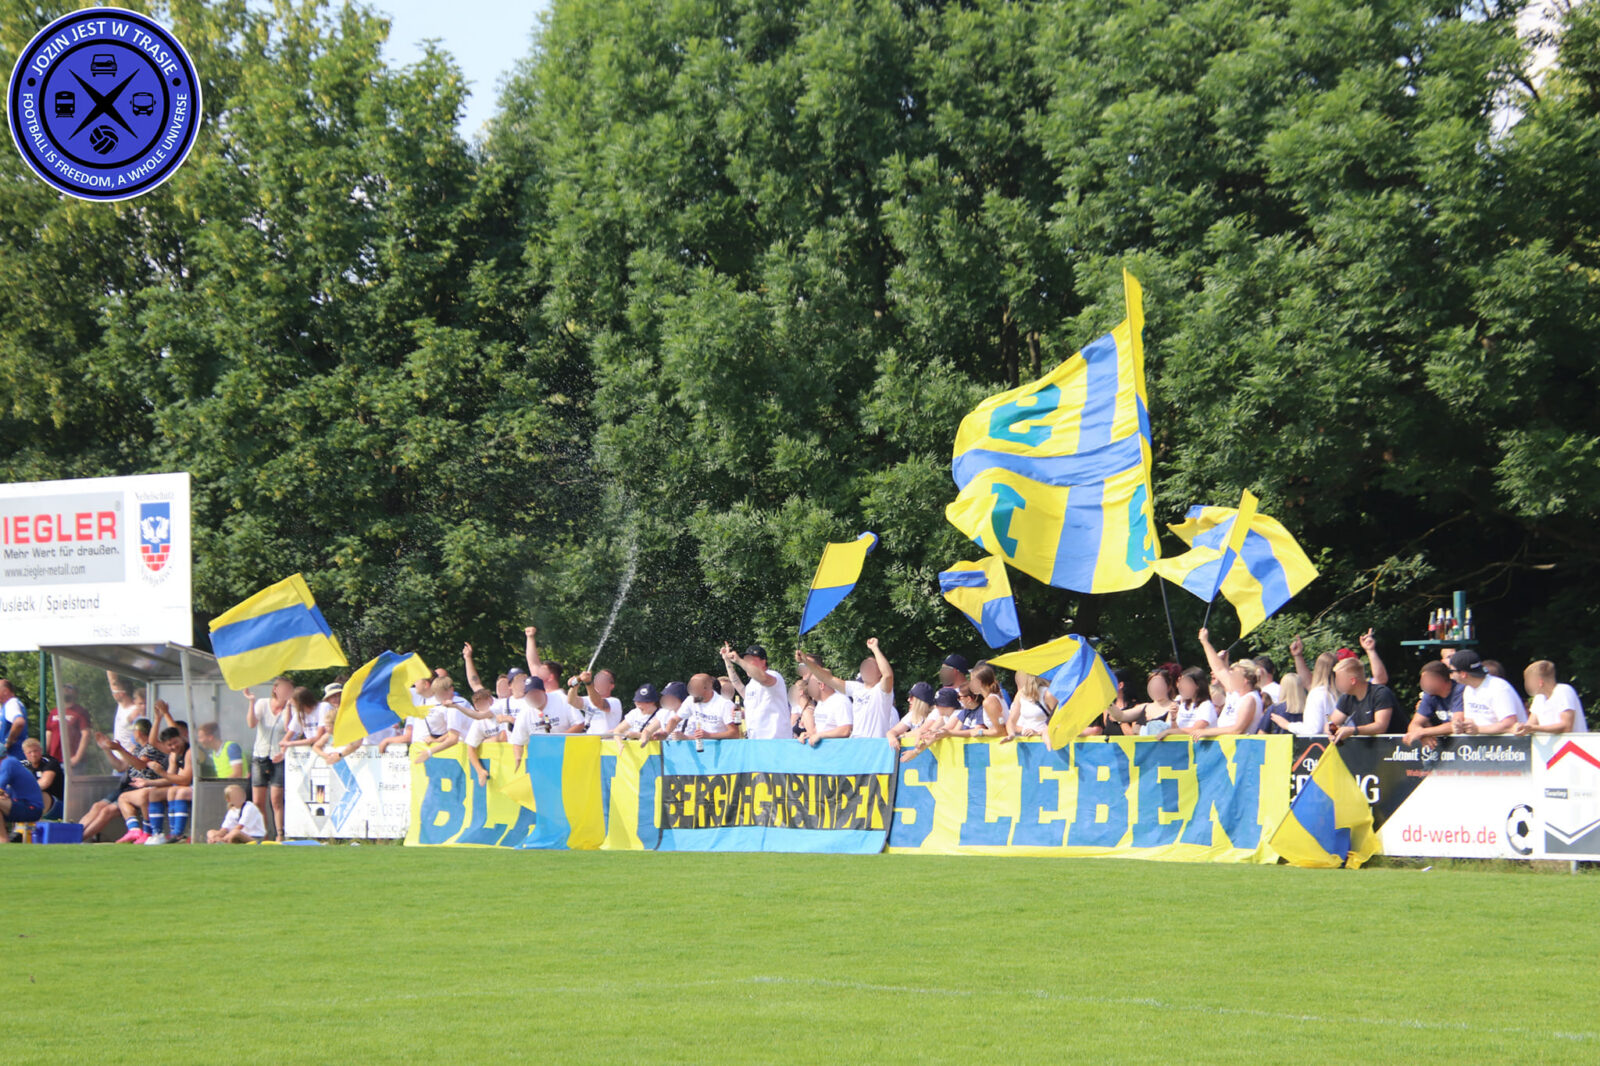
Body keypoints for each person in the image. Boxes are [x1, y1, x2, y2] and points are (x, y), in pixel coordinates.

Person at [795, 638, 898, 739]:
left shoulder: (882, 691)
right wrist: (806, 661)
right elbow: (828, 678)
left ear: (879, 672)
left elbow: (888, 675)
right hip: (855, 745)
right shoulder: (856, 688)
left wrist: (875, 648)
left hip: (873, 746)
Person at [245, 678, 291, 842]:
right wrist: (251, 702)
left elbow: (288, 729)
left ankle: (280, 834)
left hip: (279, 757)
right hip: (260, 755)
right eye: (284, 688)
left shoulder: (290, 707)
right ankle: (262, 835)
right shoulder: (263, 703)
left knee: (276, 799)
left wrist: (289, 707)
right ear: (275, 689)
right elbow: (251, 724)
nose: (287, 692)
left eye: (289, 689)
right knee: (258, 800)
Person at [1195, 628, 1261, 736]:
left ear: (1245, 680)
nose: (1231, 677)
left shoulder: (1250, 699)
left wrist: (1205, 732)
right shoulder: (1235, 692)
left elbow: (1237, 729)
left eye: (1234, 675)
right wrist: (1205, 641)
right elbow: (1219, 669)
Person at [720, 644, 790, 739]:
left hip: (775, 740)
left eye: (750, 660)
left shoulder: (774, 675)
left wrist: (739, 661)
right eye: (745, 660)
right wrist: (726, 660)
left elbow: (764, 678)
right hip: (755, 740)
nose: (746, 664)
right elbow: (737, 684)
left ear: (763, 661)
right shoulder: (751, 684)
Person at [1449, 650, 1523, 736]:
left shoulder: (1498, 688)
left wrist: (1478, 729)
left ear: (1463, 674)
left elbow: (1509, 724)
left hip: (1511, 743)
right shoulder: (1469, 689)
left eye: (1451, 671)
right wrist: (1461, 726)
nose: (1451, 675)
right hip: (1484, 742)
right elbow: (1470, 721)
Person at [1329, 657, 1400, 741]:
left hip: (1397, 746)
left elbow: (1381, 727)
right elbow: (1332, 723)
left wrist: (1353, 731)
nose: (1336, 683)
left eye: (1339, 680)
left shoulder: (1380, 693)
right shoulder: (1347, 697)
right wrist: (1330, 730)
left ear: (1352, 681)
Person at [1404, 660, 1465, 748]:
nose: (1423, 684)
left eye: (1426, 680)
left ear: (1439, 679)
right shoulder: (1429, 695)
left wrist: (1423, 732)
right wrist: (1423, 735)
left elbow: (1456, 724)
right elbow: (1414, 724)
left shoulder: (1460, 691)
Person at [1517, 660, 1586, 735]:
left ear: (1540, 682)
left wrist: (1533, 728)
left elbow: (1566, 727)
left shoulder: (1563, 691)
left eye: (1529, 682)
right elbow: (1531, 725)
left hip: (1572, 742)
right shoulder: (1539, 698)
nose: (1527, 685)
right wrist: (1521, 728)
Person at [666, 674, 739, 742]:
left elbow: (735, 734)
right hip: (702, 747)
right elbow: (674, 720)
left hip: (722, 748)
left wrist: (709, 735)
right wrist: (665, 733)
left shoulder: (725, 704)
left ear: (706, 688)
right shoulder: (690, 700)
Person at [0, 751, 46, 842]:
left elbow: (1, 786)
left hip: (31, 808)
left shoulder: (8, 762)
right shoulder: (10, 762)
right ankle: (3, 841)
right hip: (21, 805)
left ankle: (3, 840)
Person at [798, 670, 854, 745]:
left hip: (837, 750)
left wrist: (820, 735)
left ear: (821, 685)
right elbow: (821, 729)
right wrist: (808, 734)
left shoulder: (841, 701)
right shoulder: (820, 703)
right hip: (823, 750)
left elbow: (845, 730)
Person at [46, 684, 92, 768]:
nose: (66, 689)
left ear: (76, 693)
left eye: (70, 688)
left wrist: (77, 757)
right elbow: (49, 733)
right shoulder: (54, 712)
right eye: (64, 687)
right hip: (54, 760)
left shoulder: (81, 712)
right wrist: (45, 755)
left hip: (72, 762)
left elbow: (86, 735)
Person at [566, 669, 624, 734]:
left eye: (604, 678)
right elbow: (572, 701)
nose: (600, 680)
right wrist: (574, 685)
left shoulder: (615, 702)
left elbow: (598, 703)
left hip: (606, 739)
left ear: (611, 686)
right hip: (589, 738)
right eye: (598, 677)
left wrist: (588, 683)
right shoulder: (589, 699)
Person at [1164, 669, 1219, 736]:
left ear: (1198, 685)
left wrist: (1168, 732)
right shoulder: (1182, 705)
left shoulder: (1206, 705)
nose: (1182, 686)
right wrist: (1173, 718)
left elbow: (1195, 730)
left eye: (1186, 683)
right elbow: (1176, 732)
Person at [20, 738, 62, 820]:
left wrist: (23, 790)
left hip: (57, 804)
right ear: (25, 754)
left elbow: (45, 782)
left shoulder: (50, 761)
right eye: (29, 752)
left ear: (41, 750)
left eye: (35, 751)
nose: (33, 754)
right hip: (34, 801)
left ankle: (31, 824)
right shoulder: (23, 764)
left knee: (39, 795)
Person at [1006, 672, 1053, 738]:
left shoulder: (1047, 694)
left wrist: (1038, 733)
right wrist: (1011, 734)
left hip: (1046, 740)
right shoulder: (1020, 695)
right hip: (1028, 742)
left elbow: (1059, 722)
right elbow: (1011, 722)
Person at [0, 678, 27, 760]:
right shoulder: (6, 706)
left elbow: (19, 722)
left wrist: (7, 743)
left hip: (13, 756)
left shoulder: (11, 704)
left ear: (5, 691)